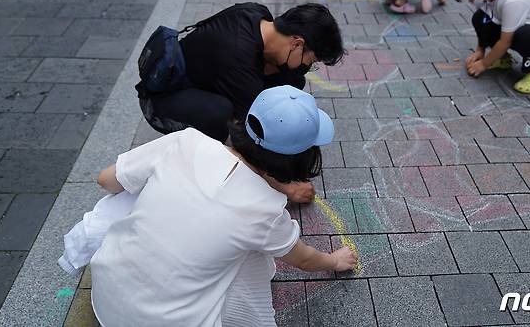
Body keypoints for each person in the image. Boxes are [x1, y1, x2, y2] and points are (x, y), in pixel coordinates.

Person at [90, 86, 358, 326]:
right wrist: (335, 260)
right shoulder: (265, 210)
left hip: (106, 292)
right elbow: (304, 259)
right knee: (254, 253)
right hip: (163, 320)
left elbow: (106, 180)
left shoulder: (187, 141)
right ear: (299, 159)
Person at [137, 2, 345, 202]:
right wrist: (284, 187)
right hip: (169, 96)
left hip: (207, 79)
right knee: (221, 115)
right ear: (297, 43)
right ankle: (198, 151)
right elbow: (245, 139)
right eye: (313, 61)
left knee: (291, 78)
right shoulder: (239, 61)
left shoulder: (257, 14)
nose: (309, 67)